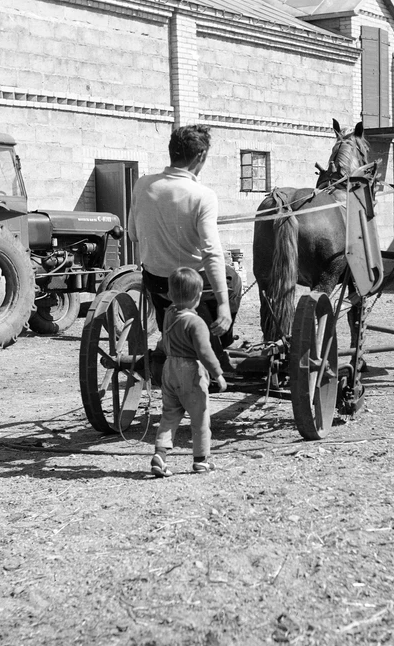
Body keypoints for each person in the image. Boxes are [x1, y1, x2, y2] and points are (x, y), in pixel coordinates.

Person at [127, 124, 239, 362]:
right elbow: (211, 253)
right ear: (201, 156)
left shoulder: (142, 185)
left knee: (164, 283)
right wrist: (223, 305)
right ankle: (219, 339)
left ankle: (169, 334)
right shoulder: (203, 195)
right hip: (191, 284)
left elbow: (133, 235)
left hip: (156, 283)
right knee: (233, 280)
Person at [149, 267, 227, 478]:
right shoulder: (196, 322)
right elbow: (204, 352)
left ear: (170, 295)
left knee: (170, 414)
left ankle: (160, 455)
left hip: (169, 369)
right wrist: (218, 373)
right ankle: (201, 460)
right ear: (198, 296)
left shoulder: (168, 314)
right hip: (190, 371)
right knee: (200, 417)